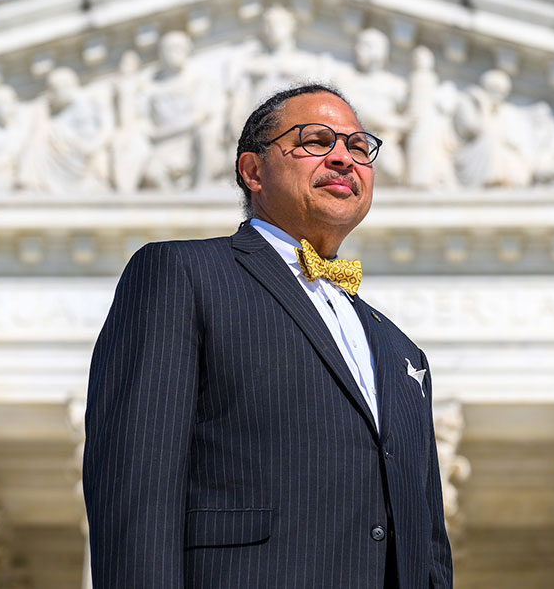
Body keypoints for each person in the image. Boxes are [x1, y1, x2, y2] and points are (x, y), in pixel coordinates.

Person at [82, 83, 453, 589]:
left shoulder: (401, 351)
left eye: (359, 147)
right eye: (316, 141)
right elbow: (135, 488)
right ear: (253, 171)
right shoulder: (183, 275)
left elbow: (428, 545)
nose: (344, 158)